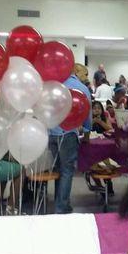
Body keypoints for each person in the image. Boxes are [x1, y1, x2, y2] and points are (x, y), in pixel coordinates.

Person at [49, 67, 92, 214]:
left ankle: (58, 201)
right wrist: (87, 131)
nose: (86, 76)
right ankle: (61, 206)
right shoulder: (81, 88)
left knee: (58, 170)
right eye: (85, 74)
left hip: (51, 132)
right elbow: (87, 112)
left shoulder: (54, 84)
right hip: (68, 133)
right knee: (67, 171)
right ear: (77, 72)